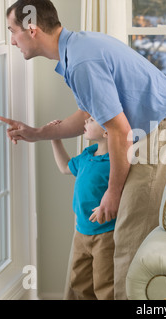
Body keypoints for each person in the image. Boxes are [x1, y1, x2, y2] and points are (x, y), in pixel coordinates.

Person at [0, 0, 166, 299]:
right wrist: (37, 133)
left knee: (127, 239)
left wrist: (113, 192)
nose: (12, 40)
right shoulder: (76, 50)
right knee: (123, 237)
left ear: (32, 28)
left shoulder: (80, 61)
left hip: (162, 135)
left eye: (13, 31)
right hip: (155, 131)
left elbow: (119, 131)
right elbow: (88, 117)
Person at [49, 117, 114, 300]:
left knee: (105, 284)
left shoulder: (116, 162)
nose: (85, 120)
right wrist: (55, 139)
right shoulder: (87, 155)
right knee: (80, 283)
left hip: (106, 235)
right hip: (81, 232)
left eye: (92, 120)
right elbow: (64, 167)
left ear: (107, 132)